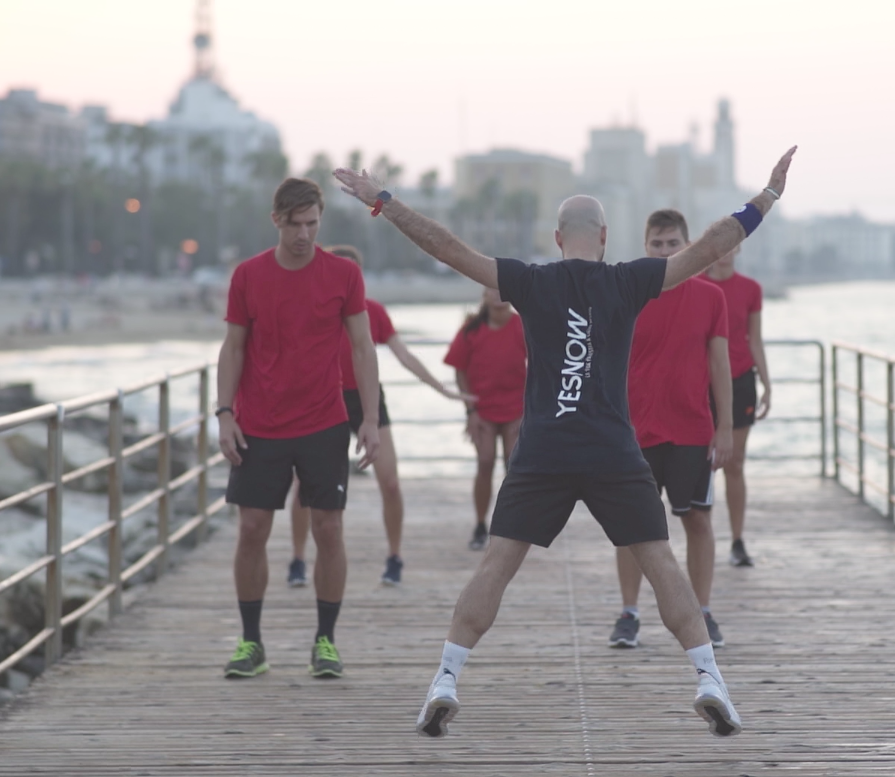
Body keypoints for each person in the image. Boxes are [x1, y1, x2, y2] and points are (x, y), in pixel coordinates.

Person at [334, 143, 794, 739]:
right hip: (612, 449)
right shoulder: (632, 280)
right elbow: (710, 246)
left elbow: (446, 247)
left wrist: (383, 202)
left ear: (557, 239)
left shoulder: (528, 281)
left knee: (497, 565)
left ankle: (445, 678)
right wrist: (768, 197)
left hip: (544, 450)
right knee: (659, 560)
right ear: (604, 238)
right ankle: (710, 680)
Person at [216, 177, 381, 681]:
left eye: (313, 224)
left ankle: (325, 641)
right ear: (277, 221)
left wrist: (370, 419)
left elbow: (362, 347)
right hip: (259, 424)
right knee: (251, 530)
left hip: (323, 422)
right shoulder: (248, 276)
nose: (306, 235)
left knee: (328, 529)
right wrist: (224, 413)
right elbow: (234, 347)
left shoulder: (344, 275)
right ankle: (251, 643)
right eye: (296, 225)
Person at [285, 244, 471, 589]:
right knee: (304, 488)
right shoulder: (309, 310)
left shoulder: (372, 312)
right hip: (321, 400)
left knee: (391, 482)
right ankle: (297, 559)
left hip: (367, 399)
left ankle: (394, 557)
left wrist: (442, 390)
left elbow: (403, 355)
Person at [611, 209, 733, 651]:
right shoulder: (627, 294)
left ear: (689, 247)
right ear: (645, 248)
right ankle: (629, 613)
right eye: (657, 245)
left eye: (673, 244)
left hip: (692, 429)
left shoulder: (710, 297)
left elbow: (720, 365)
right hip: (633, 433)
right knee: (631, 528)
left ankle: (702, 611)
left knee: (697, 519)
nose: (665, 252)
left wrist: (726, 429)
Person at [443, 288, 527, 550]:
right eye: (492, 289)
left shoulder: (522, 325)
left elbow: (540, 364)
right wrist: (470, 411)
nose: (498, 294)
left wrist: (529, 413)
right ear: (484, 295)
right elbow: (459, 370)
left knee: (514, 466)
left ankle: (512, 527)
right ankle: (480, 524)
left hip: (516, 409)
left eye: (503, 288)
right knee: (485, 461)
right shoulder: (471, 329)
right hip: (482, 410)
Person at [705, 245, 771, 568]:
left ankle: (737, 540)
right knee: (701, 466)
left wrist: (767, 384)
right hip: (703, 383)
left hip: (742, 380)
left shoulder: (751, 289)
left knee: (735, 464)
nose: (725, 253)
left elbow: (755, 339)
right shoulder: (699, 285)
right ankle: (702, 542)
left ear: (740, 248)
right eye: (721, 247)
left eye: (732, 247)